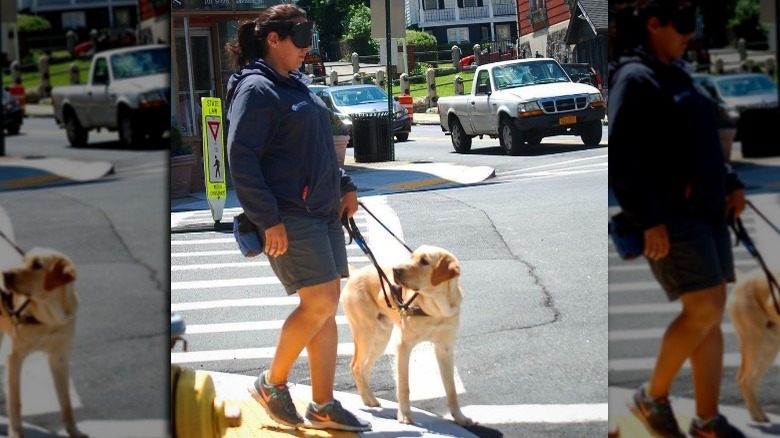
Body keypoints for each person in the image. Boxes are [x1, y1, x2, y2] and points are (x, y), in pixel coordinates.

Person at [224, 4, 369, 432]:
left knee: (324, 311)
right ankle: (272, 384)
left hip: (322, 210)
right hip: (288, 214)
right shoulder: (256, 89)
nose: (308, 47)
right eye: (300, 37)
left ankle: (323, 404)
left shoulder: (294, 85)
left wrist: (344, 184)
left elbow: (319, 145)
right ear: (274, 39)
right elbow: (241, 158)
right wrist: (268, 219)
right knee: (320, 302)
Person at [608, 1, 746, 437]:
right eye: (683, 24)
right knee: (704, 308)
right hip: (670, 218)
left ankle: (706, 420)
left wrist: (730, 181)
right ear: (654, 23)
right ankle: (652, 398)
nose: (691, 33)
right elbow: (622, 158)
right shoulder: (635, 78)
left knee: (709, 312)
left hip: (707, 211)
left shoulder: (675, 72)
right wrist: (648, 220)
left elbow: (699, 142)